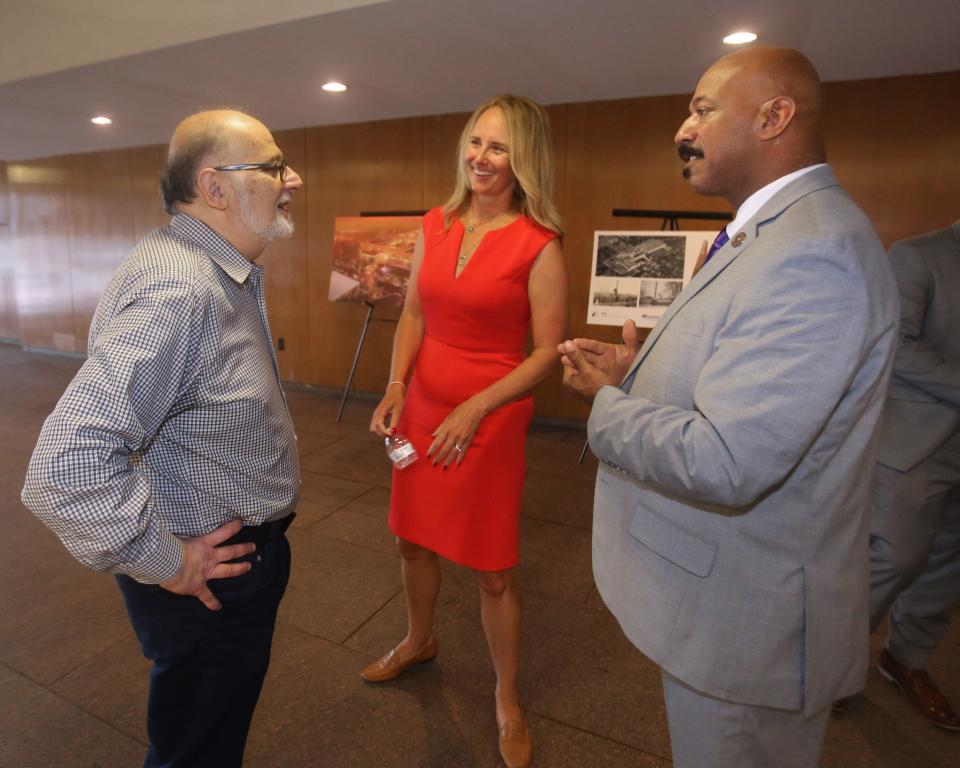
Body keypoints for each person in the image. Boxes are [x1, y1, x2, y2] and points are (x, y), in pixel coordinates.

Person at [559, 47, 899, 768]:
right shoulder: (772, 232)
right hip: (724, 610)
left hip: (748, 634)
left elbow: (728, 459)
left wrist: (607, 402)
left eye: (703, 109)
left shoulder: (816, 251)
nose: (683, 128)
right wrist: (636, 366)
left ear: (775, 117)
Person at [21, 109, 303, 768]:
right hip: (210, 580)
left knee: (204, 735)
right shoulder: (182, 292)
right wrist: (166, 560)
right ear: (216, 188)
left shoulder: (200, 265)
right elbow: (65, 469)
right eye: (272, 167)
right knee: (197, 750)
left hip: (224, 560)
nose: (293, 179)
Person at [361, 94, 567, 768]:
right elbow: (415, 315)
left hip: (491, 419)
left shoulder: (538, 242)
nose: (481, 157)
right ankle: (420, 640)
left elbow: (544, 352)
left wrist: (477, 406)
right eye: (476, 142)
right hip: (422, 410)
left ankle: (507, 697)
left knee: (493, 571)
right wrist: (396, 385)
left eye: (498, 147)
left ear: (523, 159)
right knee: (411, 541)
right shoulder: (434, 223)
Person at [862, 219, 960, 730]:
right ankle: (832, 660)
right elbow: (894, 346)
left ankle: (906, 658)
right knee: (896, 556)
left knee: (948, 566)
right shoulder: (918, 254)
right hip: (918, 439)